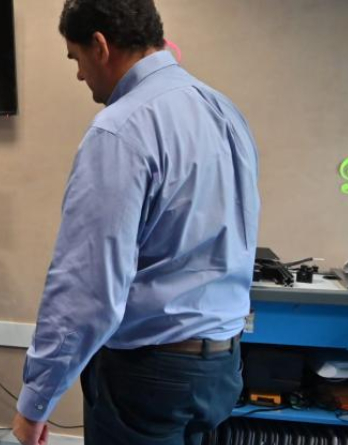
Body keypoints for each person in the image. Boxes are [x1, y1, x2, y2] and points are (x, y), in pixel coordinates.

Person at [13, 1, 260, 444]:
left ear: (101, 46)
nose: (78, 74)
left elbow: (87, 290)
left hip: (151, 377)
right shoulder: (224, 112)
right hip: (222, 368)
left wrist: (36, 402)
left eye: (75, 58)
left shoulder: (119, 129)